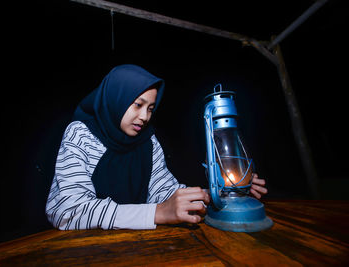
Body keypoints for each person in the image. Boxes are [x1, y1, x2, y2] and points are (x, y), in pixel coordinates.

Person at [45, 64, 267, 230]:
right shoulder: (81, 134)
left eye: (150, 108)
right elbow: (68, 211)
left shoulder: (148, 141)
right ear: (116, 98)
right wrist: (156, 213)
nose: (144, 117)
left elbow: (164, 193)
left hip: (138, 247)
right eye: (138, 105)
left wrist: (224, 193)